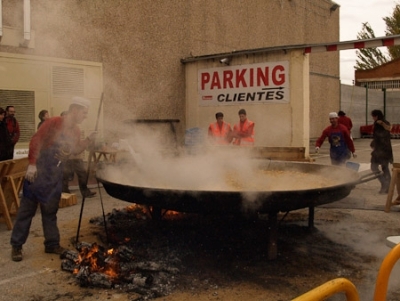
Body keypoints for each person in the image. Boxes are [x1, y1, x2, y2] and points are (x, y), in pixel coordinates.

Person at [10, 96, 96, 262]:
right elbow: (36, 140)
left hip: (55, 175)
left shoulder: (76, 131)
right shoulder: (54, 122)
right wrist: (32, 164)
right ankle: (16, 246)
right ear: (75, 110)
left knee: (50, 212)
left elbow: (74, 150)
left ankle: (52, 244)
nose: (85, 116)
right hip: (38, 173)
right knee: (26, 212)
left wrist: (88, 140)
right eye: (84, 113)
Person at [370, 109, 393, 194]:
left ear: (376, 116)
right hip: (386, 150)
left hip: (380, 150)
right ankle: (388, 187)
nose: (373, 118)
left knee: (374, 167)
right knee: (385, 168)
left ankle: (385, 184)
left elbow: (378, 136)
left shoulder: (378, 123)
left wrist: (373, 144)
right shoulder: (386, 123)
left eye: (373, 116)